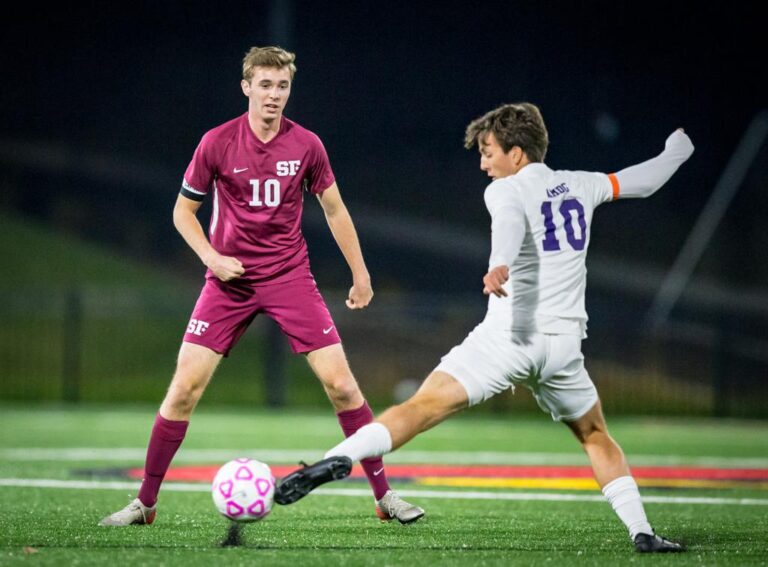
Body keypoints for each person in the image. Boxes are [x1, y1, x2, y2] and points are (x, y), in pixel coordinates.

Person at [274, 103, 694, 553]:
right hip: (565, 348)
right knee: (595, 435)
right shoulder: (583, 183)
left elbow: (510, 223)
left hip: (511, 339)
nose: (482, 162)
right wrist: (678, 149)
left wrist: (500, 264)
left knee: (420, 408)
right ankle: (642, 532)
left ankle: (335, 460)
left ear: (517, 154)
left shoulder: (505, 190)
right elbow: (646, 180)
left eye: (488, 151)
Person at [99, 46, 424, 527]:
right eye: (265, 85)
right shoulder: (216, 142)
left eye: (283, 86)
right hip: (228, 282)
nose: (274, 95)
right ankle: (144, 503)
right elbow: (182, 213)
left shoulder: (307, 145)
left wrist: (361, 272)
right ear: (246, 87)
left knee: (341, 385)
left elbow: (335, 210)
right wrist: (212, 257)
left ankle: (384, 496)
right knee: (184, 388)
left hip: (290, 277)